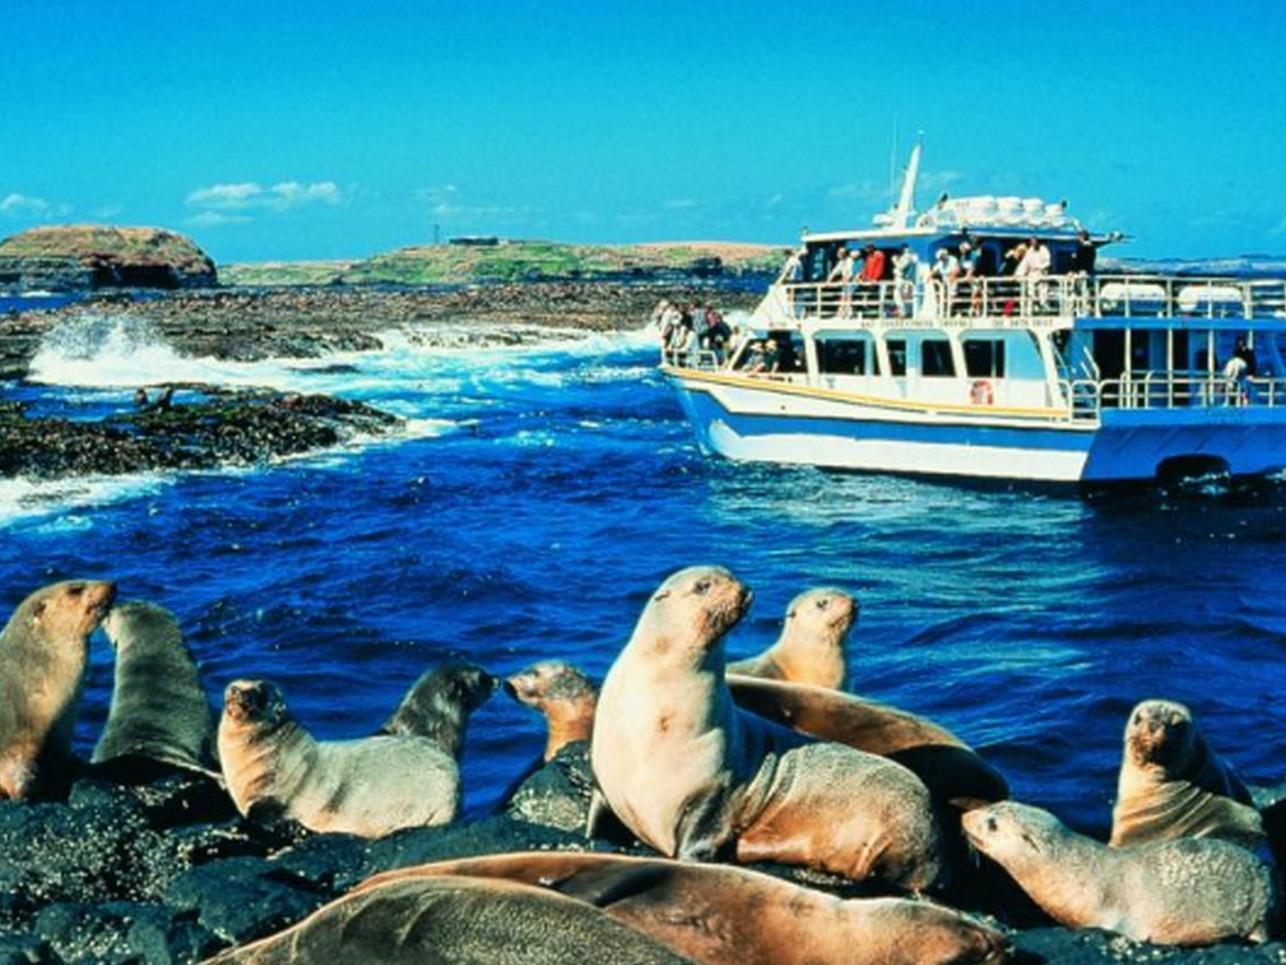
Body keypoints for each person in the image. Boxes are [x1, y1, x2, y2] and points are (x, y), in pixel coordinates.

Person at [827, 247, 857, 318]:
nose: (838, 254)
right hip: (845, 282)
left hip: (851, 282)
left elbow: (849, 273)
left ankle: (848, 313)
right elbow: (834, 271)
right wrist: (828, 281)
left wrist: (844, 280)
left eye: (840, 253)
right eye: (839, 253)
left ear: (844, 254)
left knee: (848, 296)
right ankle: (842, 312)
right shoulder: (841, 262)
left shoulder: (849, 261)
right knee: (843, 296)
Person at [929, 247, 959, 318]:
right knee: (944, 296)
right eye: (940, 258)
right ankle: (944, 311)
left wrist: (953, 275)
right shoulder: (940, 263)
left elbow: (956, 269)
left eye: (941, 257)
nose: (941, 259)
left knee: (952, 296)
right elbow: (934, 270)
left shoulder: (953, 259)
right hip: (944, 282)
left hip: (952, 281)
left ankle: (952, 311)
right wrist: (928, 278)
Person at [859, 243, 885, 316]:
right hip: (868, 280)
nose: (866, 250)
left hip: (875, 281)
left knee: (874, 296)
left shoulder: (879, 255)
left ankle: (875, 312)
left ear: (871, 248)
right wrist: (863, 277)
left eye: (867, 248)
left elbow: (880, 268)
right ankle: (867, 311)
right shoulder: (869, 256)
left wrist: (875, 278)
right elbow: (865, 268)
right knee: (867, 295)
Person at [893, 244, 918, 318]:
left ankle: (905, 312)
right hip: (906, 279)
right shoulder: (910, 256)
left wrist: (895, 261)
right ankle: (905, 312)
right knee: (904, 296)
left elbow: (901, 267)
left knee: (900, 296)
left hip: (904, 279)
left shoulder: (907, 256)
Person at [956, 240, 979, 316]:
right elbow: (959, 268)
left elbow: (973, 267)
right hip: (966, 279)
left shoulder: (974, 255)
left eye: (964, 249)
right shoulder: (962, 257)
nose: (963, 251)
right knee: (958, 291)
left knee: (976, 291)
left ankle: (975, 310)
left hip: (976, 278)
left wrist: (968, 276)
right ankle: (959, 311)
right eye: (962, 250)